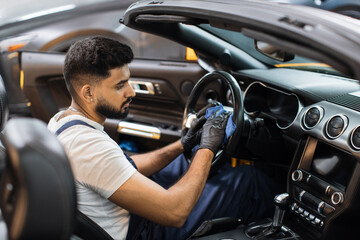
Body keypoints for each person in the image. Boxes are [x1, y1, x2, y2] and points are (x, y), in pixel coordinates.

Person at [48, 36, 278, 240]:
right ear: (88, 92)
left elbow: (125, 167)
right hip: (144, 231)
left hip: (123, 209)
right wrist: (208, 146)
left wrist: (184, 144)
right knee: (248, 181)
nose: (131, 92)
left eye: (128, 81)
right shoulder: (89, 147)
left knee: (186, 162)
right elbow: (174, 212)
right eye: (120, 86)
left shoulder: (62, 121)